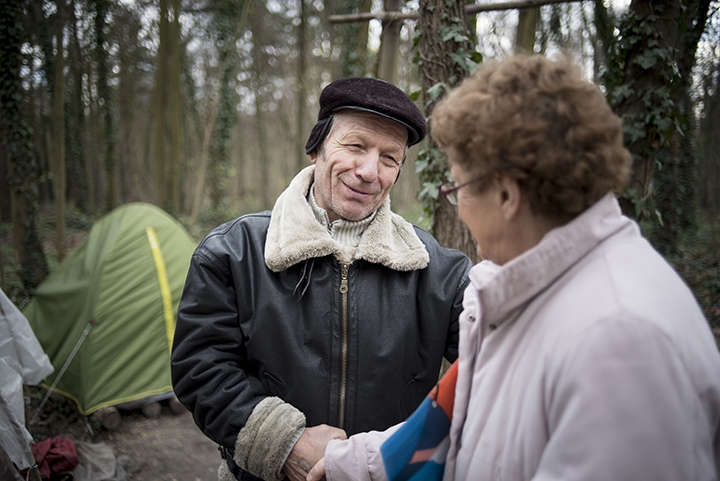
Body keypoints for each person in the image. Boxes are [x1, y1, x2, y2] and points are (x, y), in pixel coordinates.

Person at [308, 55, 720, 481]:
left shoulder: (620, 341)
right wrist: (350, 464)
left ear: (506, 195)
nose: (459, 209)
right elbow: (460, 428)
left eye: (458, 189)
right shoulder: (533, 295)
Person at [170, 77, 472, 481]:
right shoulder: (231, 252)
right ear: (316, 148)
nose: (369, 172)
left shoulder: (440, 272)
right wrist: (283, 441)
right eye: (356, 146)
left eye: (389, 157)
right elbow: (200, 367)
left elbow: (499, 359)